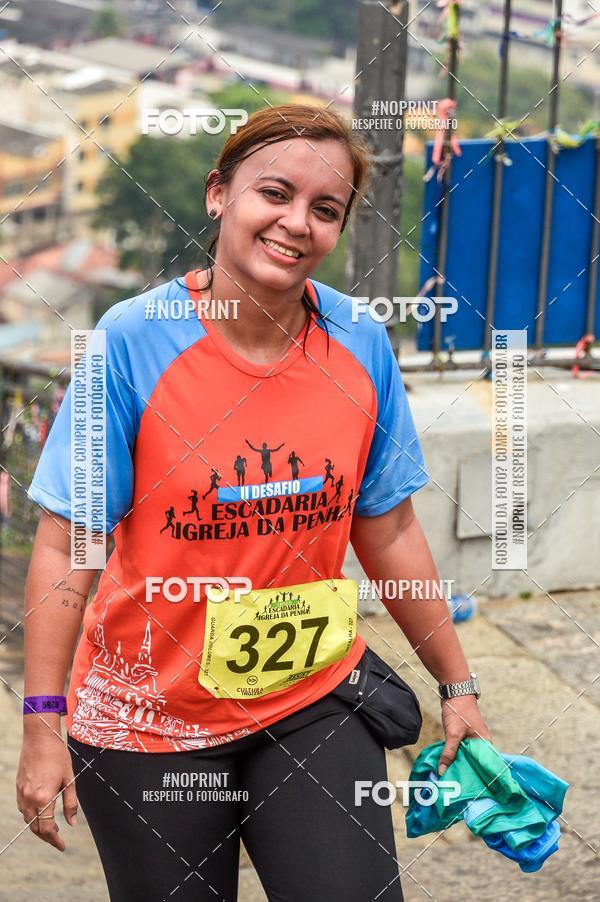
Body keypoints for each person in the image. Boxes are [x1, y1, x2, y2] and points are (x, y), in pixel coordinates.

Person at [16, 103, 491, 901]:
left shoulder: (361, 341)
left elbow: (389, 525)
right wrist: (41, 724)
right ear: (218, 196)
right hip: (151, 723)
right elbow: (69, 545)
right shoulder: (132, 341)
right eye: (275, 193)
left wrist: (458, 687)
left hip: (311, 696)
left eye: (325, 209)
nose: (296, 223)